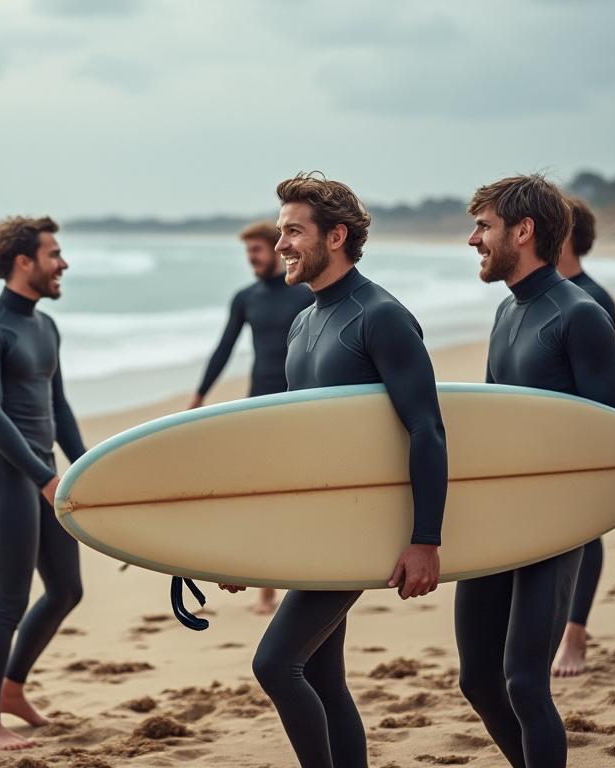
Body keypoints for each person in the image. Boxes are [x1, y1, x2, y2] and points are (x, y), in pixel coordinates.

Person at [223, 173, 447, 768]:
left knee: (274, 664)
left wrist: (425, 539)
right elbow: (300, 452)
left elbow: (427, 429)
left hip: (363, 527)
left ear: (337, 236)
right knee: (321, 675)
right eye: (279, 233)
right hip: (323, 526)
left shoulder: (381, 317)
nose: (281, 246)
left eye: (294, 232)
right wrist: (255, 547)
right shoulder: (304, 322)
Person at [460, 174, 615, 767]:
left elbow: (614, 443)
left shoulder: (579, 316)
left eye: (484, 226)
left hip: (553, 527)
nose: (474, 239)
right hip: (496, 522)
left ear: (523, 231)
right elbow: (490, 421)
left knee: (526, 683)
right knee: (478, 680)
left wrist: (571, 526)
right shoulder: (507, 311)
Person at [0, 216, 87, 751]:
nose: (62, 263)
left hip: (44, 475)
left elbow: (57, 409)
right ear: (23, 262)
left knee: (66, 590)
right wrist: (43, 476)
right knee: (8, 601)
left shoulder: (44, 326)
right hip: (4, 474)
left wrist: (91, 471)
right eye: (54, 254)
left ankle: (11, 690)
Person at [189, 220, 312, 614]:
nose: (253, 259)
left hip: (296, 404)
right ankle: (265, 588)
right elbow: (224, 348)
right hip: (258, 404)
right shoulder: (246, 298)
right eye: (248, 254)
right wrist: (199, 395)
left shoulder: (305, 294)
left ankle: (297, 574)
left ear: (274, 249)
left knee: (294, 492)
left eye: (257, 251)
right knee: (258, 492)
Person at [551, 195, 615, 678]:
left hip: (578, 442)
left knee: (584, 533)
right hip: (542, 448)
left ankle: (576, 632)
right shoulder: (530, 298)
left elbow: (602, 381)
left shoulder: (592, 299)